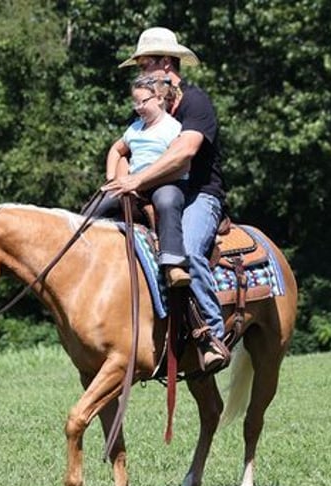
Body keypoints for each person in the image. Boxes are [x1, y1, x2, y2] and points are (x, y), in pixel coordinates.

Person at [101, 27, 229, 373]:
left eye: (144, 65)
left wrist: (136, 181)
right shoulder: (146, 105)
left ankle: (211, 337)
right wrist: (116, 182)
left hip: (199, 194)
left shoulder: (196, 102)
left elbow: (184, 152)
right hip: (151, 191)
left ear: (165, 64)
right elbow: (124, 147)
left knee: (186, 247)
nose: (141, 73)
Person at [98, 74, 192, 287]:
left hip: (167, 181)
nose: (138, 107)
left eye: (143, 102)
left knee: (167, 202)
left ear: (159, 98)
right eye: (135, 102)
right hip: (133, 184)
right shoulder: (135, 128)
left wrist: (142, 182)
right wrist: (112, 178)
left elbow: (181, 166)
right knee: (99, 205)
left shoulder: (173, 128)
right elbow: (116, 149)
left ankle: (173, 264)